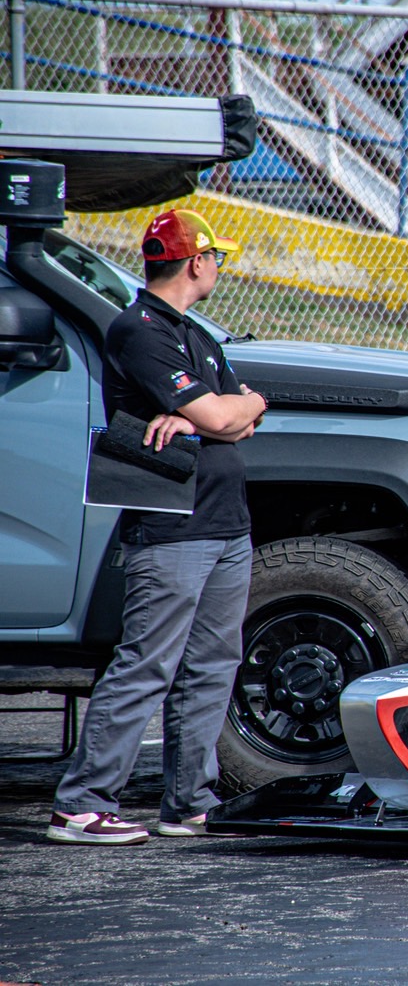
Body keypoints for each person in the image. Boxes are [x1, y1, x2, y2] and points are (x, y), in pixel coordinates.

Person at [47, 210, 267, 845]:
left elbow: (240, 418)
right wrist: (226, 412)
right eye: (215, 256)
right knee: (147, 664)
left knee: (212, 666)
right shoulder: (139, 330)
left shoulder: (194, 333)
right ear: (196, 262)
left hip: (226, 525)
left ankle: (188, 803)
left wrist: (218, 413)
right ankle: (81, 804)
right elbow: (227, 415)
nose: (219, 266)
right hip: (174, 528)